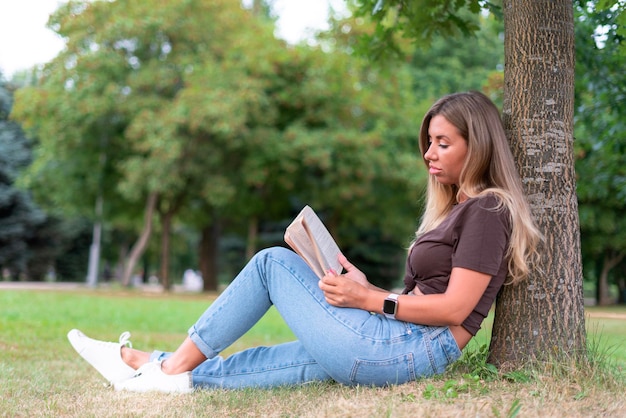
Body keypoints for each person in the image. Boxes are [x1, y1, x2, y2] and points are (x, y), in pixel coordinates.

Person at [68, 91, 542, 393]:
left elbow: (455, 309)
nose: (428, 152)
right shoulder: (462, 209)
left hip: (410, 349)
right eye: (429, 141)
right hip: (397, 344)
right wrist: (368, 288)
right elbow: (425, 296)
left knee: (272, 263)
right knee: (272, 362)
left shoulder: (489, 209)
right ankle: (149, 370)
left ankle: (164, 369)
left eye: (442, 142)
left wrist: (372, 299)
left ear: (475, 144)